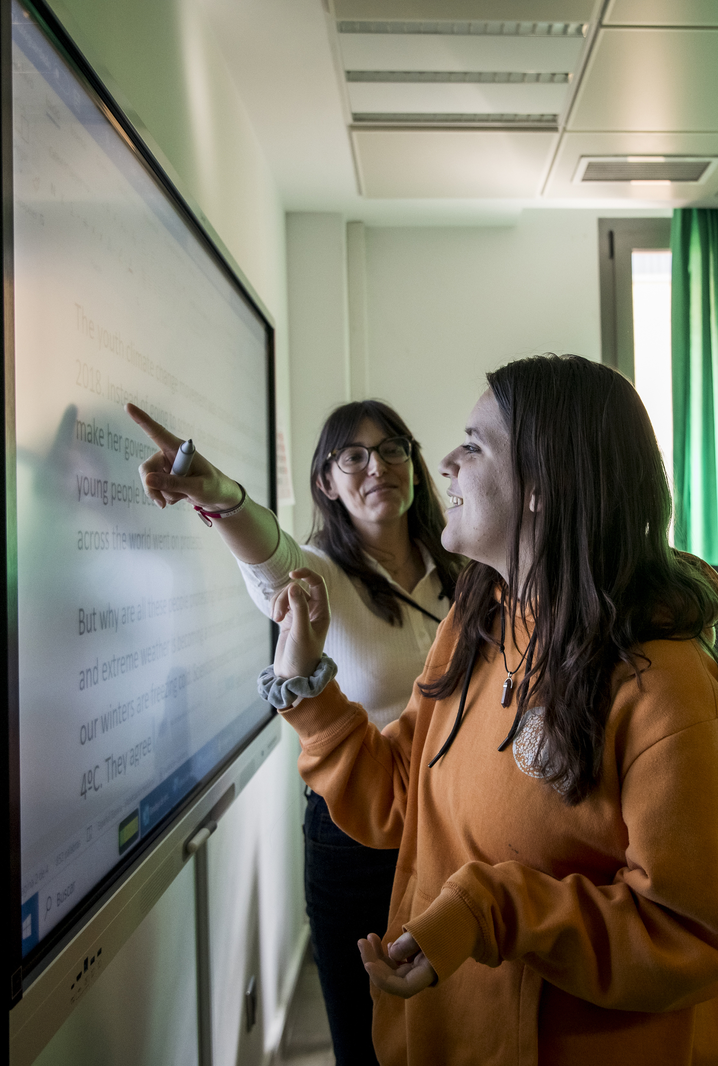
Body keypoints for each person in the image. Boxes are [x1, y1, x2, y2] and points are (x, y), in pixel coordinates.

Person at [260, 355, 718, 1065]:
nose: (444, 462)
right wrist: (308, 688)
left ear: (541, 488)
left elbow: (697, 934)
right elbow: (400, 794)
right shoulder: (479, 624)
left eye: (474, 446)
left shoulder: (668, 688)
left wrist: (494, 910)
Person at [127, 399, 464, 1066]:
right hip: (355, 831)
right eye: (353, 456)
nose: (377, 466)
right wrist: (218, 494)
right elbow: (270, 554)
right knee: (368, 1034)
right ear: (326, 482)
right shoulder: (319, 573)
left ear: (415, 464)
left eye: (392, 449)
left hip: (455, 817)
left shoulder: (463, 570)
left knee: (454, 1023)